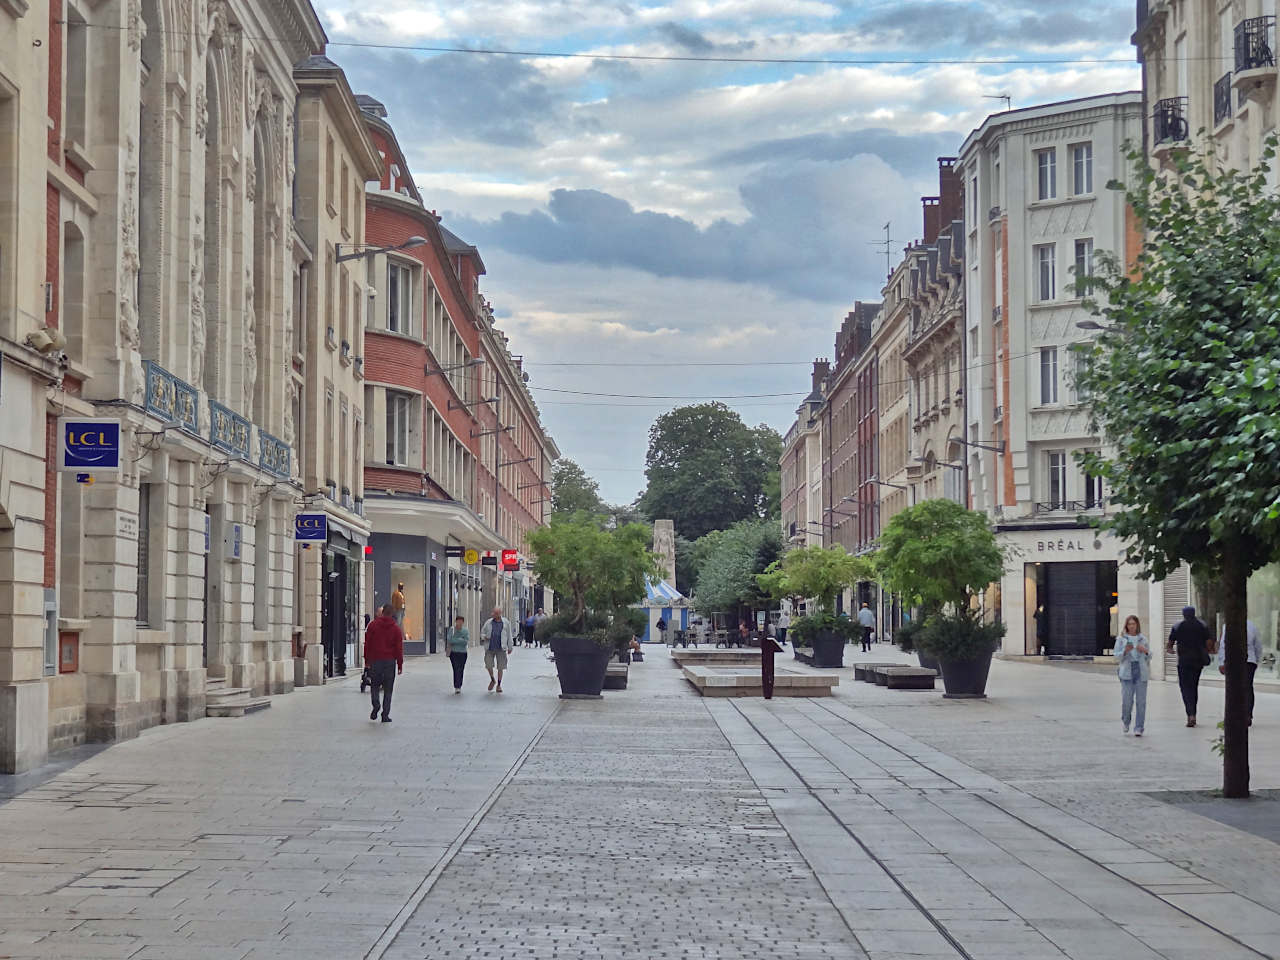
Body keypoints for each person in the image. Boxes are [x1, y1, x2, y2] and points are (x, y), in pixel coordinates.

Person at [1168, 605, 1213, 727]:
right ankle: (1193, 713)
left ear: (1183, 614)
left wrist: (1170, 650)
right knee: (1194, 687)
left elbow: (1170, 643)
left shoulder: (1178, 626)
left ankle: (1190, 714)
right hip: (1197, 662)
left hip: (1183, 661)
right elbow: (1209, 642)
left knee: (1185, 687)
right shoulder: (1202, 625)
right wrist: (1207, 651)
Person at [363, 603, 404, 723]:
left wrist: (367, 660)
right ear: (391, 614)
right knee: (388, 689)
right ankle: (385, 715)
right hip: (389, 662)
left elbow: (367, 644)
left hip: (375, 660)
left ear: (382, 612)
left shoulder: (373, 626)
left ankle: (376, 705)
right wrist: (400, 664)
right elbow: (398, 648)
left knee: (374, 686)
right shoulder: (396, 629)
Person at [1218, 618, 1262, 726]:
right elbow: (1258, 645)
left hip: (1233, 660)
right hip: (1249, 661)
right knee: (1248, 688)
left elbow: (1224, 644)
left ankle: (1235, 714)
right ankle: (1247, 714)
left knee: (1233, 688)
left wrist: (1221, 661)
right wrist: (1256, 659)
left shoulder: (1228, 626)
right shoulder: (1252, 626)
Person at [1114, 615, 1151, 736]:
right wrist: (1125, 651)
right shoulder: (1121, 639)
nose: (1132, 626)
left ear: (1137, 625)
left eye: (1133, 624)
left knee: (1141, 702)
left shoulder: (1143, 639)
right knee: (1127, 701)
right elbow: (1116, 656)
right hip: (1127, 672)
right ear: (1126, 625)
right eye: (1129, 624)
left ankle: (1139, 727)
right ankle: (1126, 721)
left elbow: (1149, 656)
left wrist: (1144, 651)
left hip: (1141, 672)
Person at [479, 607, 514, 693]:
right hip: (489, 647)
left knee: (500, 667)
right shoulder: (488, 622)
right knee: (488, 665)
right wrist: (484, 637)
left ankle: (499, 684)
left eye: (496, 613)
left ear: (500, 614)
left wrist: (510, 647)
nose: (494, 615)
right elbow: (482, 632)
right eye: (493, 613)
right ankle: (492, 679)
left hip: (501, 648)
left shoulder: (505, 623)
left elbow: (509, 635)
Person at [446, 614, 470, 694]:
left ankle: (459, 685)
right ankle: (456, 686)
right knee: (456, 668)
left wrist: (456, 640)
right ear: (455, 622)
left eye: (461, 621)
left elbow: (465, 642)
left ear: (463, 622)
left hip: (463, 653)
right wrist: (460, 639)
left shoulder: (465, 631)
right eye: (458, 621)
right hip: (453, 653)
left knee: (461, 669)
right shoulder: (452, 630)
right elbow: (450, 640)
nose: (459, 623)